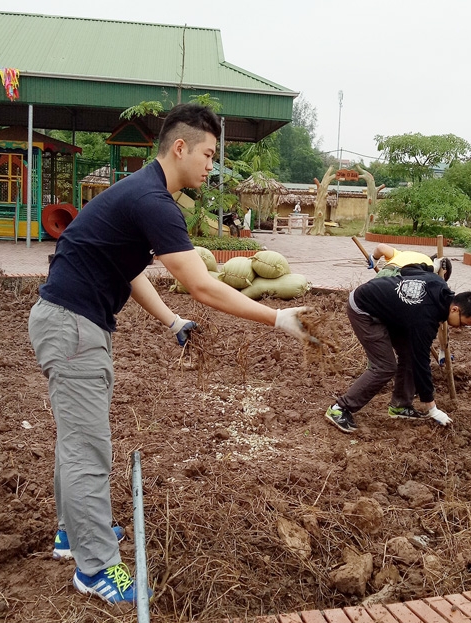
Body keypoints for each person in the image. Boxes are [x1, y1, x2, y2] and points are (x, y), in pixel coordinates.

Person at [28, 103, 312, 605]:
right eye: (208, 154)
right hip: (73, 329)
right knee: (87, 448)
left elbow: (128, 271)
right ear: (179, 148)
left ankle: (73, 533)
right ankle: (94, 569)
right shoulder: (153, 200)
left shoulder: (139, 194)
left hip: (73, 323)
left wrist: (173, 320)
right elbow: (203, 285)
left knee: (79, 439)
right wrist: (277, 318)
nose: (211, 166)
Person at [325, 265, 471, 433]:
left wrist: (429, 266)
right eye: (462, 323)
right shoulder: (425, 319)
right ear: (455, 309)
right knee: (385, 367)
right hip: (364, 308)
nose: (460, 328)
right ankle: (340, 408)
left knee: (409, 353)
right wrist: (432, 408)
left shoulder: (438, 282)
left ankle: (400, 405)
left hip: (388, 311)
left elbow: (409, 270)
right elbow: (421, 363)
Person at [369, 242, 452, 282]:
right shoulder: (429, 268)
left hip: (384, 272)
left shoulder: (405, 254)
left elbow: (381, 247)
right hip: (401, 279)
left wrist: (374, 260)